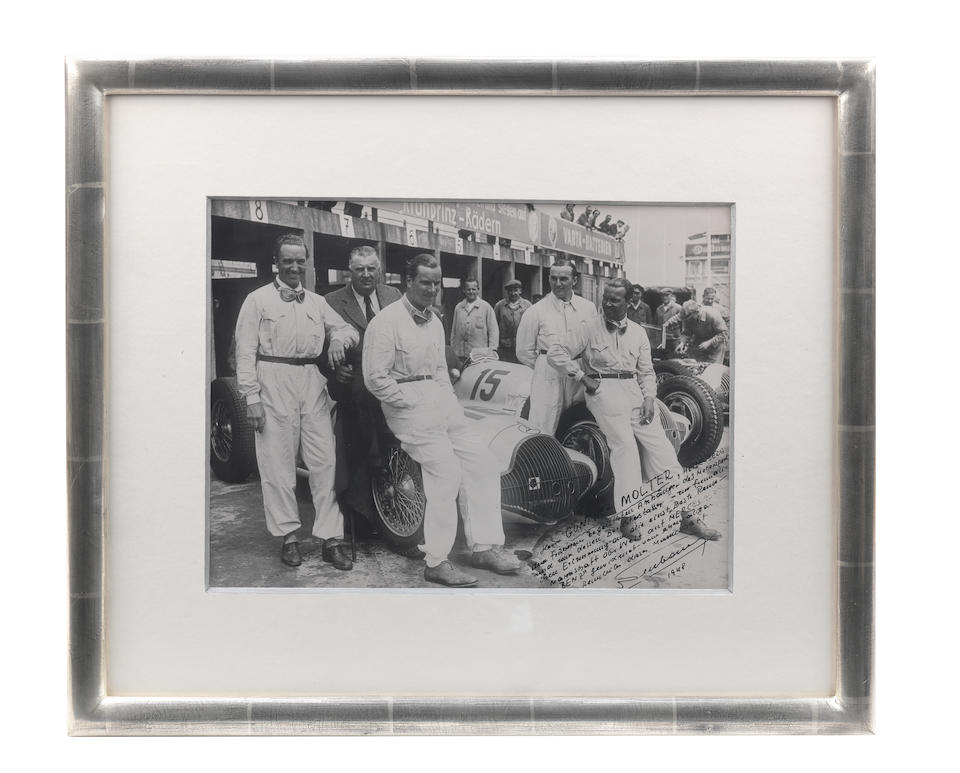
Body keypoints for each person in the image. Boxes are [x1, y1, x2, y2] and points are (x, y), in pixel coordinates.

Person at [362, 254, 522, 587]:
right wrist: (410, 401)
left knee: (483, 463)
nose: (432, 290)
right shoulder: (386, 322)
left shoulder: (434, 321)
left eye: (437, 284)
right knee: (447, 472)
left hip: (440, 402)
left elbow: (438, 370)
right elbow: (375, 378)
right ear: (407, 282)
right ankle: (436, 560)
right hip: (407, 408)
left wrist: (447, 404)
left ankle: (484, 546)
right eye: (425, 282)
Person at [234, 234, 359, 570]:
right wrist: (251, 399)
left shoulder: (317, 303)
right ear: (277, 263)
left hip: (310, 382)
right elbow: (244, 353)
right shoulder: (257, 300)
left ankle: (331, 538)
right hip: (272, 380)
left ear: (306, 262)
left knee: (324, 461)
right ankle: (289, 537)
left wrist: (338, 340)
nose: (293, 267)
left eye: (299, 261)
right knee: (278, 464)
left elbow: (349, 329)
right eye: (287, 261)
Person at [580, 278, 721, 542]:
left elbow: (646, 371)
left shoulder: (637, 331)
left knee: (663, 450)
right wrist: (581, 377)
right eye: (605, 298)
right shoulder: (587, 328)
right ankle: (629, 516)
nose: (608, 304)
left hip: (634, 392)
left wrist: (649, 398)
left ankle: (687, 515)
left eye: (615, 300)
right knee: (626, 450)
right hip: (604, 392)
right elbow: (557, 352)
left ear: (627, 300)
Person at [322, 245, 402, 521]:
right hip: (354, 386)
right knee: (357, 439)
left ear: (379, 269)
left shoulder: (393, 295)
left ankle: (399, 501)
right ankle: (361, 511)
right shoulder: (331, 301)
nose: (366, 274)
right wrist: (334, 371)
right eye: (360, 269)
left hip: (392, 379)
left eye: (371, 268)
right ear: (350, 271)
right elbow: (318, 347)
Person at [515, 257, 598, 434]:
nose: (557, 283)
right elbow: (523, 351)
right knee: (543, 427)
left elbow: (592, 343)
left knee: (578, 424)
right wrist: (545, 365)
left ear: (574, 280)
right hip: (548, 375)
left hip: (579, 374)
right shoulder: (535, 311)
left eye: (563, 279)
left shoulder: (588, 308)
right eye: (553, 278)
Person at [664, 299, 729, 364]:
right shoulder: (688, 317)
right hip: (700, 341)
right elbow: (687, 333)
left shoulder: (713, 315)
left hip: (717, 343)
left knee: (712, 368)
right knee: (696, 366)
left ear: (697, 312)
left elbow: (724, 333)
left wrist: (709, 342)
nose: (687, 320)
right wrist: (682, 343)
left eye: (689, 318)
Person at [450, 278, 499, 362]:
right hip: (460, 354)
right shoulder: (459, 307)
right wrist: (453, 348)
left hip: (479, 356)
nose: (471, 292)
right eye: (468, 289)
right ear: (464, 290)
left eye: (474, 289)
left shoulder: (486, 307)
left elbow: (493, 330)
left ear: (478, 290)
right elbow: (454, 330)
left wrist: (492, 350)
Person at [493, 279, 532, 363]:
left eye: (515, 290)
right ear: (507, 292)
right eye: (510, 291)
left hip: (522, 346)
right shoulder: (500, 305)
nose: (513, 293)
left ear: (520, 291)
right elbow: (494, 326)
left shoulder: (527, 305)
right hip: (504, 347)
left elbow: (532, 326)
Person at [656, 288, 683, 356]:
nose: (664, 297)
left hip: (674, 340)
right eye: (662, 296)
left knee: (675, 360)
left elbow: (683, 325)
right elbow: (656, 324)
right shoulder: (659, 309)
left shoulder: (678, 308)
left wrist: (681, 340)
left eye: (667, 295)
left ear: (671, 296)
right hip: (662, 340)